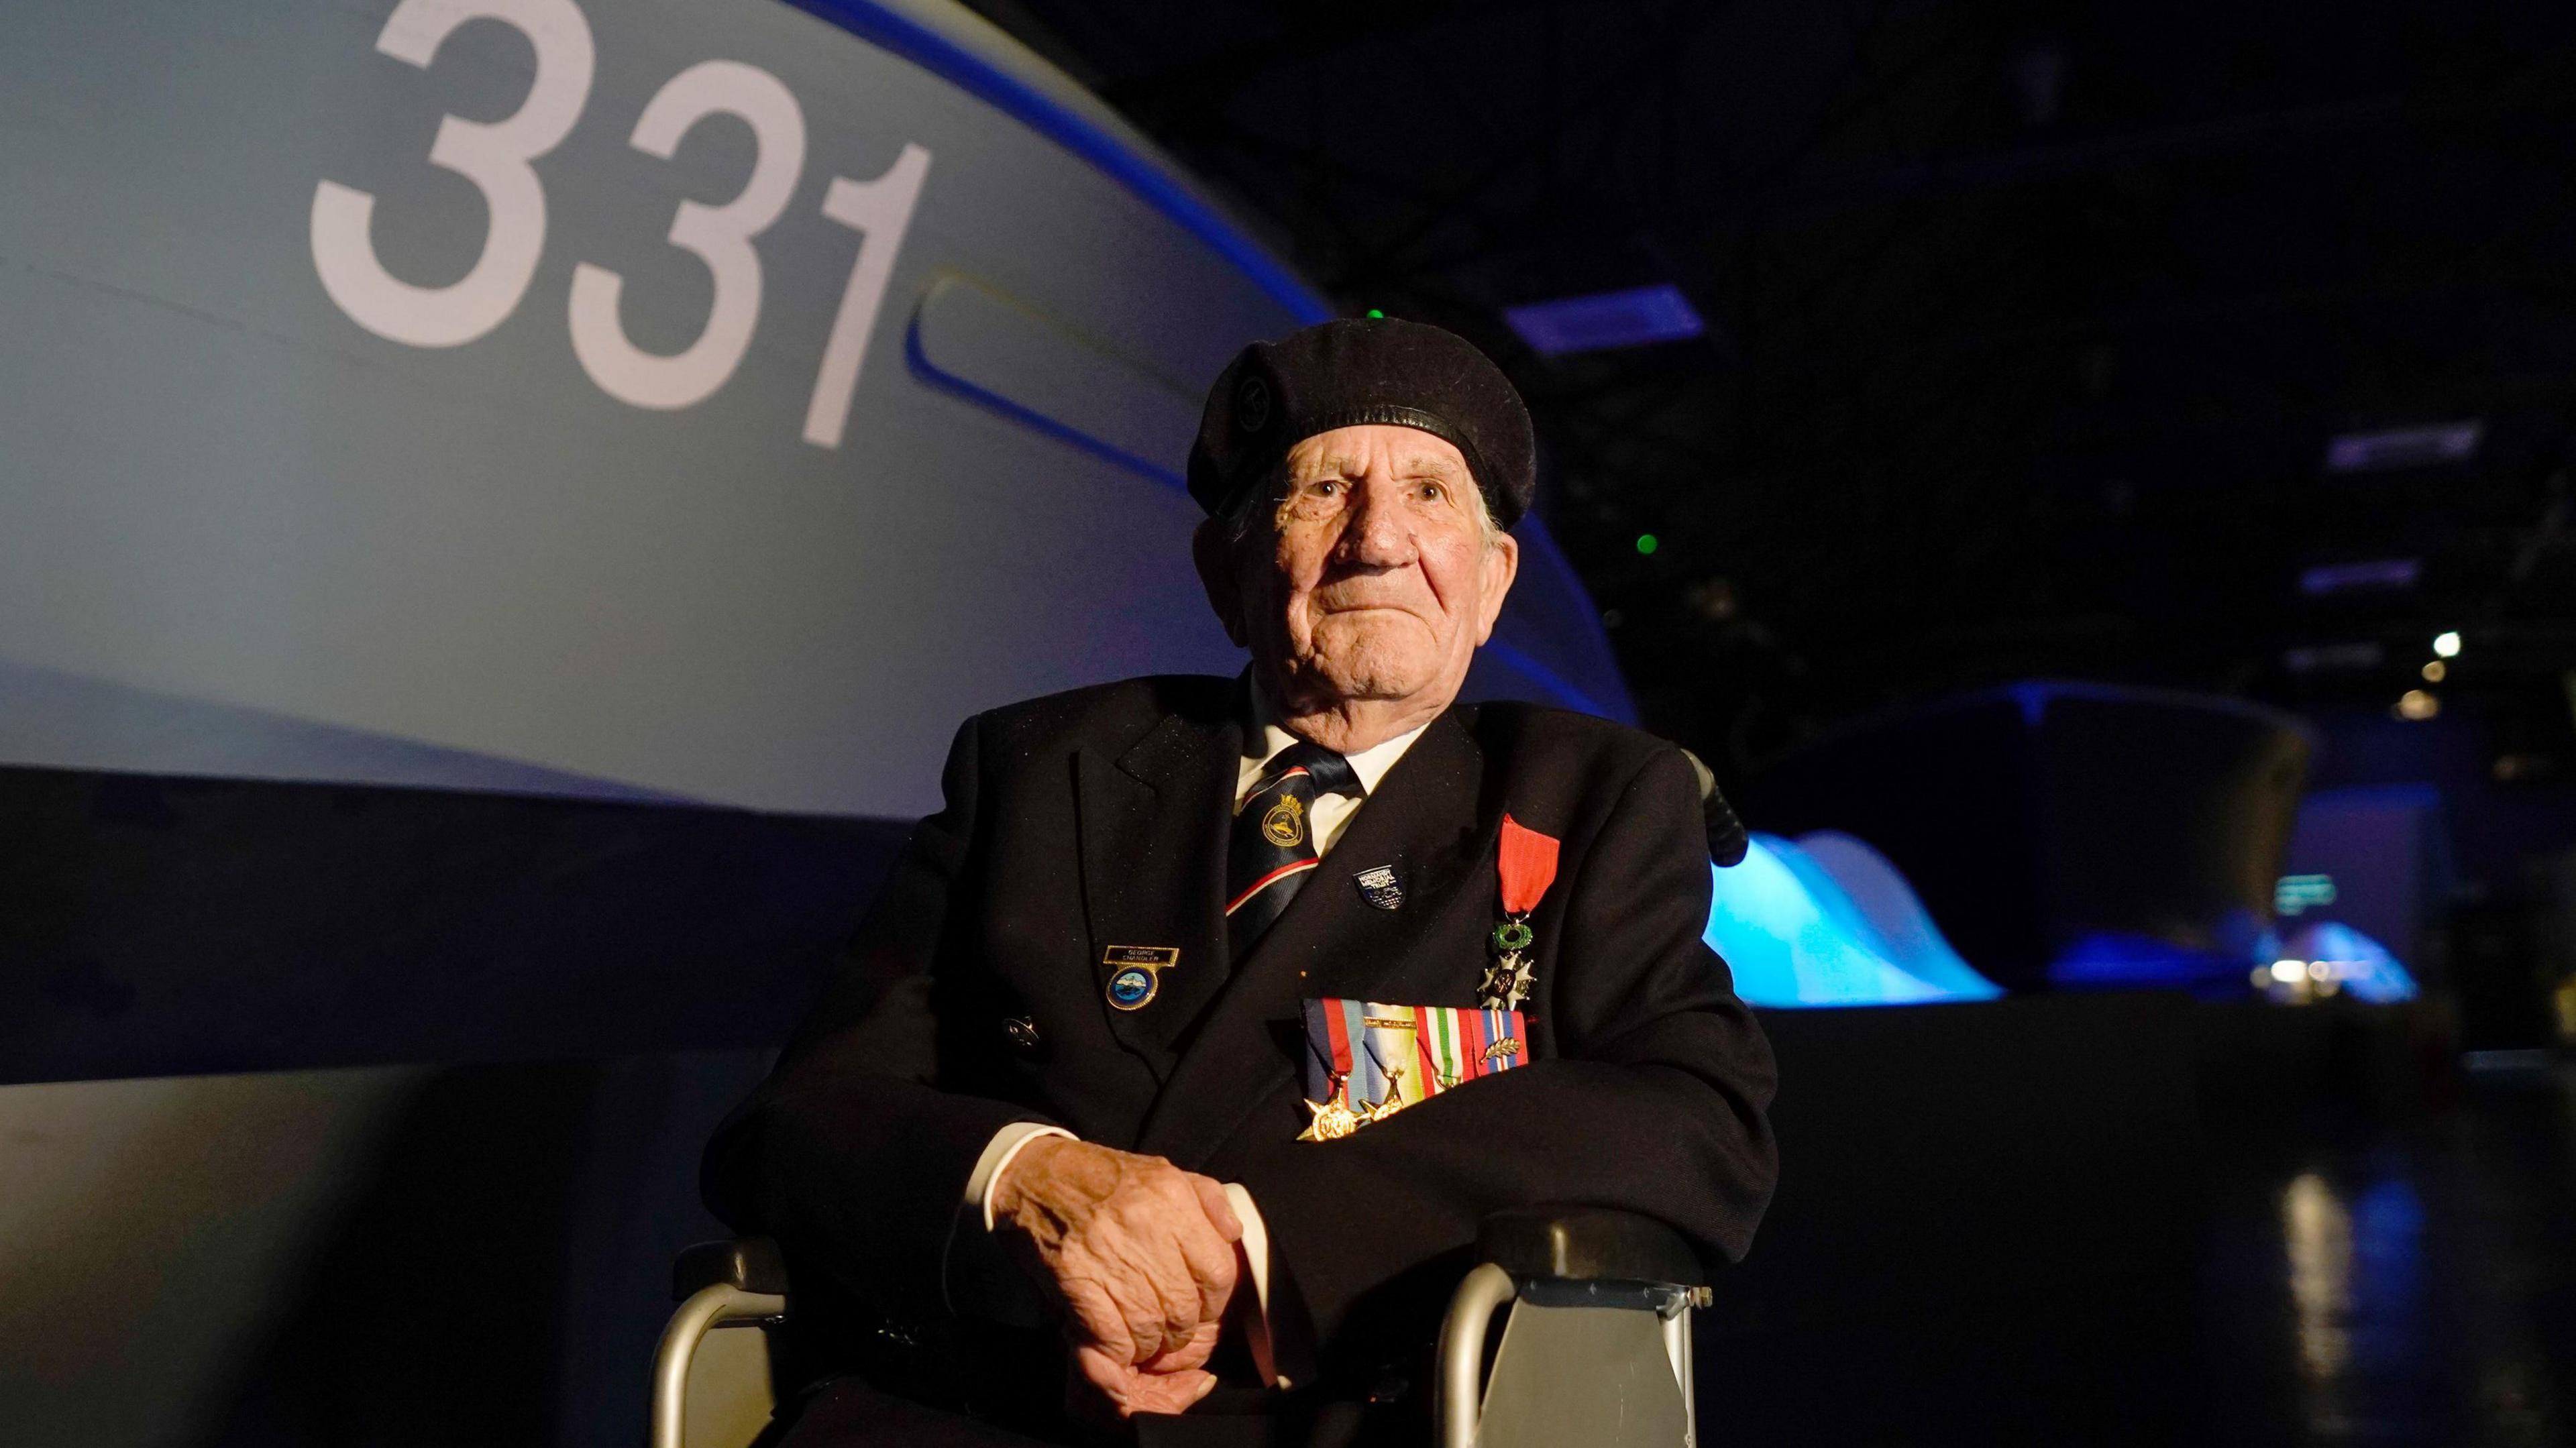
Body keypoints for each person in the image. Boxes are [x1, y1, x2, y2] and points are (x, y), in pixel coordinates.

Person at [703, 317, 1778, 1447]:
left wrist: (1253, 1250)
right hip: (984, 1405)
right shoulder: (1036, 769)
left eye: (1430, 494)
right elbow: (797, 1121)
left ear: (1493, 579)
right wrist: (1024, 1181)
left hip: (1333, 1414)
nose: (1378, 541)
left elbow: (1694, 1116)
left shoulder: (1593, 797)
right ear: (1227, 570)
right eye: (1323, 491)